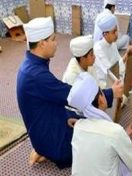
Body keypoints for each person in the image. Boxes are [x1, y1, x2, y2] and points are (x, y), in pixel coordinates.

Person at [16, 17, 120, 168]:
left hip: (50, 122)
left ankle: (42, 147)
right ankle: (46, 150)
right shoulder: (36, 76)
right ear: (42, 43)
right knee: (101, 139)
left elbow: (55, 100)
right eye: (53, 39)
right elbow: (74, 95)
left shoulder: (31, 66)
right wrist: (111, 93)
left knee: (81, 117)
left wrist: (68, 118)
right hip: (53, 139)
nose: (57, 43)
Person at [93, 12, 132, 89]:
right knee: (128, 84)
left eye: (116, 30)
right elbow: (110, 72)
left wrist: (127, 55)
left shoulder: (112, 44)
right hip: (105, 83)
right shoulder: (98, 49)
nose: (116, 34)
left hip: (115, 76)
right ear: (105, 34)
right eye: (113, 32)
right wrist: (127, 81)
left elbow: (119, 63)